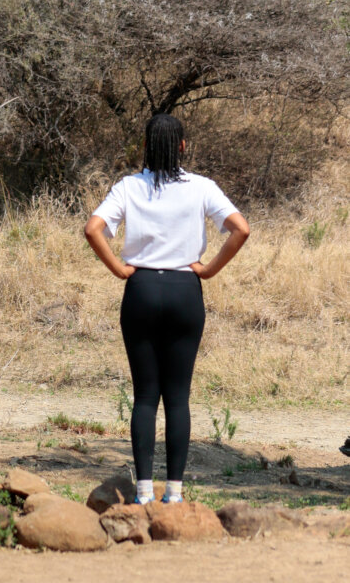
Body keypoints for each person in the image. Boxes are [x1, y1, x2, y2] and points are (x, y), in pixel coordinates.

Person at [84, 113, 250, 505]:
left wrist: (120, 269)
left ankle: (142, 491)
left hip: (141, 289)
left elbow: (93, 229)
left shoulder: (129, 187)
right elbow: (240, 228)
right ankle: (173, 493)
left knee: (145, 397)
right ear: (183, 147)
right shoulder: (201, 188)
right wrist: (208, 270)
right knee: (177, 397)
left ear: (144, 147)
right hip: (184, 291)